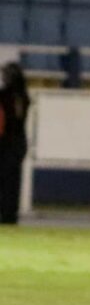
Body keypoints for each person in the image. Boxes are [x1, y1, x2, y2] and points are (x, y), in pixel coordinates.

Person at [0, 62, 30, 225]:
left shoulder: (16, 96)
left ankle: (9, 215)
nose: (4, 77)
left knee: (9, 181)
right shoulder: (17, 95)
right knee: (9, 181)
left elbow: (16, 120)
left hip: (11, 144)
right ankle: (8, 214)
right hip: (11, 143)